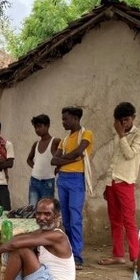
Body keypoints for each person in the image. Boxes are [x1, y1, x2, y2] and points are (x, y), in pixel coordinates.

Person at [99, 102, 140, 267]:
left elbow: (129, 155)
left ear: (133, 118)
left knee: (129, 221)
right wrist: (107, 183)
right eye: (120, 121)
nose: (123, 124)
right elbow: (114, 161)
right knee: (115, 220)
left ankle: (135, 258)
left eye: (126, 120)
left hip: (126, 182)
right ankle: (118, 254)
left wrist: (121, 135)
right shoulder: (117, 135)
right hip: (112, 182)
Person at [51, 106, 93, 270]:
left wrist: (64, 160)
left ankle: (77, 256)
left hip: (76, 179)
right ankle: (67, 253)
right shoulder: (65, 138)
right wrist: (71, 159)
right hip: (63, 179)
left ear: (75, 119)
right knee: (66, 219)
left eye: (65, 119)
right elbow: (54, 160)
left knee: (75, 219)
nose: (63, 122)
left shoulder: (86, 134)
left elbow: (79, 152)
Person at [26, 114, 60, 208]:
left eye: (40, 126)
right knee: (32, 208)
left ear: (47, 126)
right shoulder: (36, 144)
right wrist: (36, 167)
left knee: (46, 209)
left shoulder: (55, 141)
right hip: (34, 180)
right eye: (36, 127)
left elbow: (62, 158)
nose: (37, 129)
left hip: (48, 181)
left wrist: (58, 168)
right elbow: (29, 159)